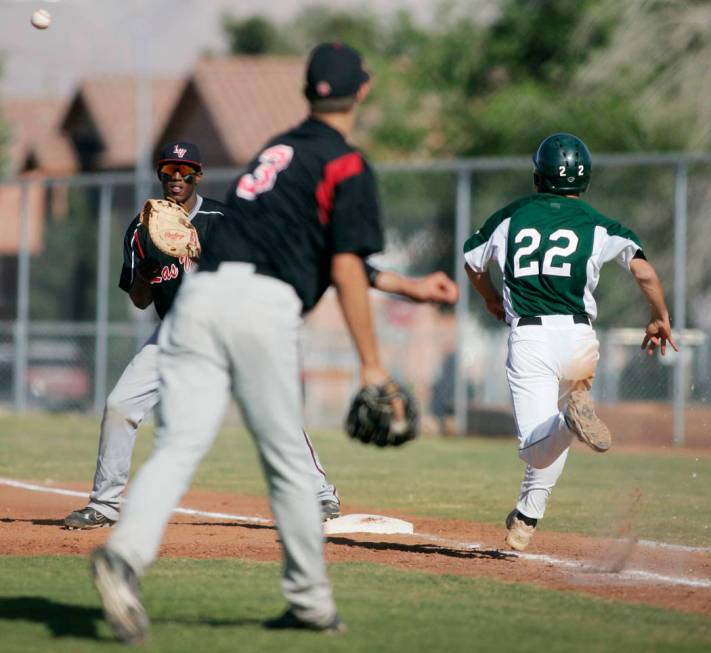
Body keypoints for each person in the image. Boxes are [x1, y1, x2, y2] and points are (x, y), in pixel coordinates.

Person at [90, 42, 455, 642]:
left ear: (306, 91)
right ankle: (310, 602)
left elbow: (311, 249)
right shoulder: (347, 165)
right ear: (362, 92)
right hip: (263, 308)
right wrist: (372, 366)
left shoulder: (275, 151)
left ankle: (125, 556)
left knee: (179, 445)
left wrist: (409, 288)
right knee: (287, 459)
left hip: (200, 303)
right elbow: (342, 267)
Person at [64, 141, 457, 531]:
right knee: (120, 405)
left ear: (198, 176)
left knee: (274, 410)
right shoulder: (142, 227)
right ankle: (104, 504)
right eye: (168, 171)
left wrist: (201, 251)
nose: (177, 178)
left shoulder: (223, 218)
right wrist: (150, 266)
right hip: (176, 331)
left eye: (185, 171)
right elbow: (138, 298)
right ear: (160, 175)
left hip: (233, 325)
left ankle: (320, 492)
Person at [463, 132, 677, 552]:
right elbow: (645, 273)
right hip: (580, 338)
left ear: (537, 177)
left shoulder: (512, 215)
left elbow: (472, 260)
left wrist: (490, 296)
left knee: (537, 446)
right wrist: (659, 316)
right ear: (586, 179)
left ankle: (570, 420)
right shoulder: (599, 223)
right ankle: (526, 520)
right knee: (553, 437)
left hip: (531, 337)